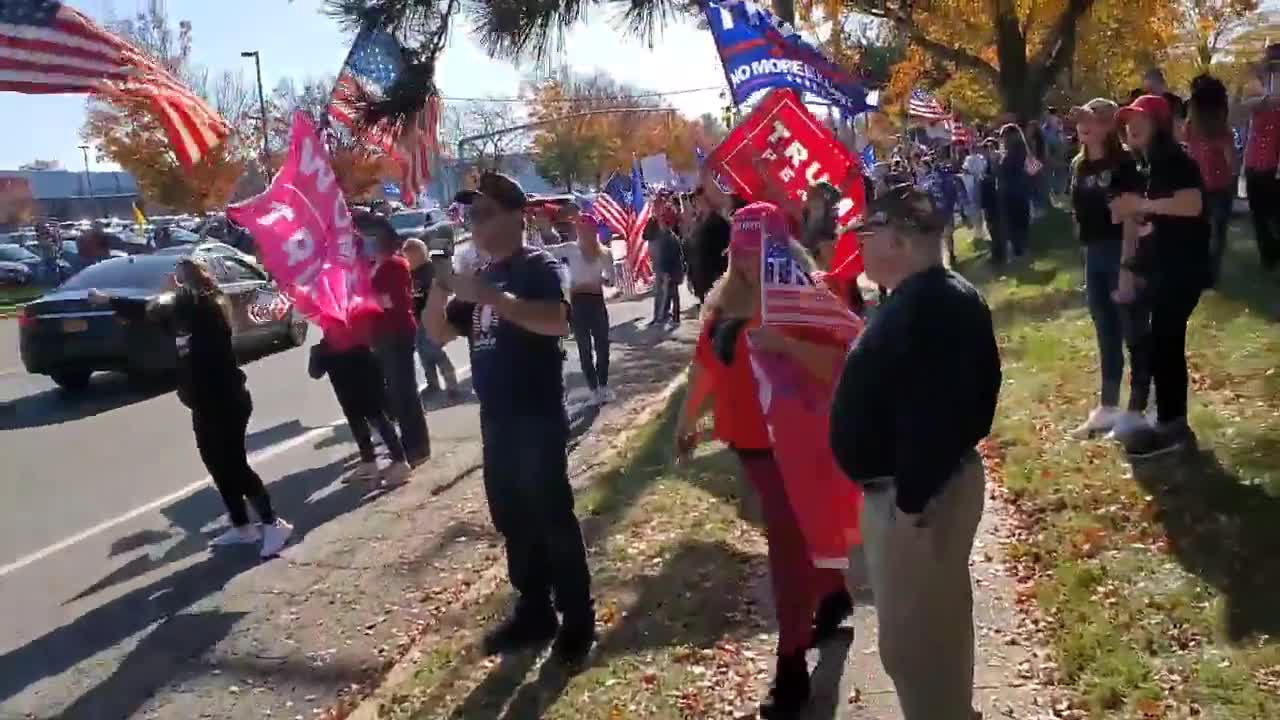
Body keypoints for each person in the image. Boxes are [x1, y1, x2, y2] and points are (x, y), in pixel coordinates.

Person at [829, 183, 1001, 720]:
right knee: (926, 633)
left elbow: (934, 417)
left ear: (899, 242)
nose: (858, 246)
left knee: (919, 641)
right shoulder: (921, 298)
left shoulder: (934, 307)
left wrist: (908, 506)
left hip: (917, 496)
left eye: (867, 234)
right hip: (915, 490)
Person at [677, 202, 855, 718]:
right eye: (741, 253)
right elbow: (704, 368)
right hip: (748, 443)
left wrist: (783, 343)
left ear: (781, 249)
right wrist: (688, 422)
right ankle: (833, 591)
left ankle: (791, 666)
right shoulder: (724, 300)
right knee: (798, 536)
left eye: (759, 252)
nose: (749, 264)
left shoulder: (810, 298)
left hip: (796, 443)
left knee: (786, 551)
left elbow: (839, 362)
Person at [423, 171, 595, 664]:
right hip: (496, 419)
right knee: (512, 518)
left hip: (536, 415)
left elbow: (557, 320)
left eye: (483, 214)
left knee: (551, 516)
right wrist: (441, 283)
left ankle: (578, 619)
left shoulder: (537, 266)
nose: (473, 225)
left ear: (515, 217)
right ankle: (534, 610)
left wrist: (491, 298)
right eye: (469, 216)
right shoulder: (484, 277)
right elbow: (435, 333)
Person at [86, 258, 293, 558]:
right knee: (216, 464)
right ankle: (242, 526)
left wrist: (108, 299)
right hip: (203, 402)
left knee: (235, 466)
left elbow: (160, 305)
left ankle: (274, 524)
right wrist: (124, 311)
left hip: (226, 399)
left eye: (179, 277)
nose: (172, 280)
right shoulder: (184, 312)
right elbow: (150, 314)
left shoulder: (206, 305)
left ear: (192, 281)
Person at [1109, 94, 1211, 458]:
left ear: (1159, 124)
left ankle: (1172, 427)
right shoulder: (1151, 165)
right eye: (1127, 119)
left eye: (1140, 118)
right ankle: (1168, 422)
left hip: (1184, 268)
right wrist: (1138, 220)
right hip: (1167, 266)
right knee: (1163, 342)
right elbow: (1164, 215)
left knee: (1165, 342)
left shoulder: (1174, 159)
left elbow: (1193, 203)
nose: (1131, 124)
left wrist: (1142, 206)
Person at [1066, 99, 1149, 440]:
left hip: (1121, 250)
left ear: (1109, 126)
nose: (1084, 126)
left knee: (1132, 328)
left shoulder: (1124, 163)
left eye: (1093, 120)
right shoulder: (1079, 165)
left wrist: (1128, 266)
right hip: (1093, 254)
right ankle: (1108, 406)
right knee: (1105, 331)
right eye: (1081, 119)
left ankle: (1141, 406)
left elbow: (1131, 217)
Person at [354, 211, 431, 467]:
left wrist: (367, 300)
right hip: (381, 334)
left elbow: (397, 302)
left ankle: (417, 447)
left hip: (397, 332)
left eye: (369, 237)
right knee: (394, 393)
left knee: (404, 392)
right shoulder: (374, 265)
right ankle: (408, 444)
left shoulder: (395, 264)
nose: (365, 241)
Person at [308, 329, 412, 486]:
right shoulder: (359, 335)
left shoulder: (328, 346)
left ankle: (398, 461)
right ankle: (371, 462)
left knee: (375, 424)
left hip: (354, 395)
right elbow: (377, 363)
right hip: (364, 392)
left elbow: (315, 372)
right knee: (370, 424)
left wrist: (316, 353)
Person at [547, 212, 615, 405]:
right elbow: (547, 252)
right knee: (584, 349)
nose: (582, 231)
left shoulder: (604, 253)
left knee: (602, 346)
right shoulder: (570, 249)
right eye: (580, 228)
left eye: (586, 228)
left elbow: (611, 280)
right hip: (578, 304)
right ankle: (593, 390)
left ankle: (603, 386)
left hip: (596, 301)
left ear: (593, 230)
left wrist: (601, 280)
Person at [1185, 74, 1236, 288]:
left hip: (1210, 188)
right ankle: (1207, 274)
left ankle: (1206, 274)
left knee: (1206, 234)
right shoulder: (1202, 129)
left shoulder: (1207, 130)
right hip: (1210, 188)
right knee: (1212, 234)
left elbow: (1231, 161)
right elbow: (1232, 162)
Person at [402, 238, 461, 401]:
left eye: (409, 256)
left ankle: (452, 384)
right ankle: (432, 383)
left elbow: (437, 291)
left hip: (431, 317)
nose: (407, 260)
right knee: (423, 352)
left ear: (418, 254)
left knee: (433, 350)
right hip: (417, 318)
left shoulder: (429, 270)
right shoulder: (411, 272)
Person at [1241, 43, 1280, 280]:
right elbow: (1241, 108)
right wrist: (1267, 99)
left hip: (1276, 166)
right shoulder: (1257, 92)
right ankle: (1269, 258)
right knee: (1260, 215)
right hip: (1256, 164)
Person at [998, 124, 1033, 259]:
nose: (1001, 140)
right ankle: (1021, 250)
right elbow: (1034, 171)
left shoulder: (1008, 156)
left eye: (1002, 136)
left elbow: (1001, 173)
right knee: (1021, 223)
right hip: (1022, 193)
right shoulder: (1025, 151)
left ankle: (1018, 251)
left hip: (1010, 193)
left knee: (1013, 224)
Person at [650, 206, 685, 327]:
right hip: (671, 271)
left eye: (661, 222)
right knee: (672, 294)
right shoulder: (669, 237)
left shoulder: (668, 238)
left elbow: (669, 257)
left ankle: (667, 316)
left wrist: (666, 272)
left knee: (668, 294)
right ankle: (672, 316)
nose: (659, 224)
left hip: (669, 271)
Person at [961, 144, 989, 241]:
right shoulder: (982, 158)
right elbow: (985, 168)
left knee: (976, 209)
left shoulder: (969, 159)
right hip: (983, 183)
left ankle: (978, 233)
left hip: (974, 185)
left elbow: (965, 170)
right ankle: (983, 231)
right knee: (983, 209)